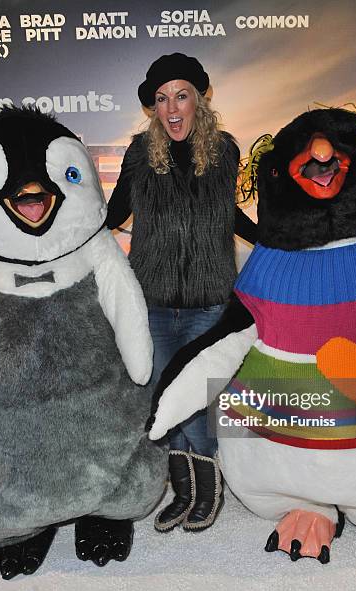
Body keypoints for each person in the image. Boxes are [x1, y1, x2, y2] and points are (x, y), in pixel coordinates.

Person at [106, 52, 256, 533]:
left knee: (196, 398)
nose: (172, 109)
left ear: (200, 99)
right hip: (152, 301)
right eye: (161, 99)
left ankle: (206, 488)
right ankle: (185, 491)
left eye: (181, 96)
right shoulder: (136, 154)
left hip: (209, 301)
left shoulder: (226, 152)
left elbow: (229, 217)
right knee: (161, 395)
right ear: (153, 107)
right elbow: (110, 217)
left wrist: (274, 242)